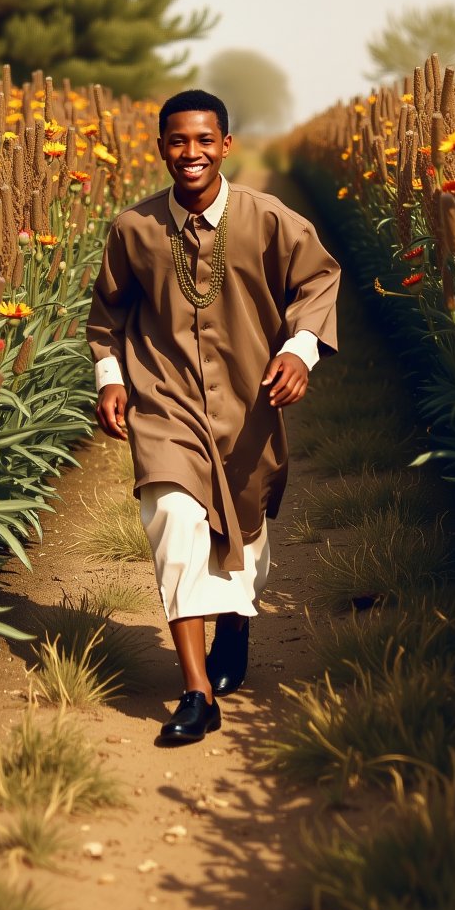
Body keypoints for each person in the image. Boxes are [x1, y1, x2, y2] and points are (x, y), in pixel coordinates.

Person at [86, 89, 340, 744]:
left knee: (247, 526)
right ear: (162, 146)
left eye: (204, 140)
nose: (190, 153)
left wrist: (298, 351)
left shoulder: (269, 220)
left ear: (226, 145)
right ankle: (195, 693)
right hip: (164, 401)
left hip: (251, 404)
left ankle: (235, 618)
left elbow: (318, 282)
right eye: (177, 141)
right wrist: (111, 378)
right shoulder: (134, 229)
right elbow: (106, 316)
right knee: (172, 514)